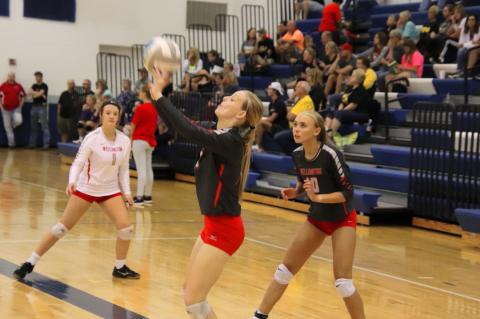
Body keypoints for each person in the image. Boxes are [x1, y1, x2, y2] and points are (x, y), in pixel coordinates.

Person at [148, 66, 263, 319]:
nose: (225, 98)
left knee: (194, 300)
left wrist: (159, 95)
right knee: (189, 292)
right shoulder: (217, 131)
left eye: (233, 100)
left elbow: (188, 130)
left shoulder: (232, 142)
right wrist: (160, 91)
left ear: (242, 114)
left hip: (225, 230)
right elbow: (182, 124)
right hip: (211, 225)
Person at [252, 110, 365, 319]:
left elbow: (348, 193)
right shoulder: (297, 154)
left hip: (342, 219)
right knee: (284, 271)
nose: (296, 128)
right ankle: (259, 316)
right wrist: (296, 191)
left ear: (317, 130)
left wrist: (319, 198)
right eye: (295, 124)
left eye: (303, 125)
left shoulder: (331, 154)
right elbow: (306, 184)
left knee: (343, 283)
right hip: (318, 219)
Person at [13, 101, 139, 280]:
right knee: (61, 228)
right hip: (86, 187)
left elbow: (124, 169)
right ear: (101, 116)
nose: (111, 116)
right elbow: (78, 162)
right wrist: (72, 181)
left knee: (125, 228)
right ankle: (30, 262)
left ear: (119, 117)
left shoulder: (124, 140)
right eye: (108, 113)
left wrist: (126, 192)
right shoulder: (92, 138)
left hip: (110, 190)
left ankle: (120, 267)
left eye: (115, 114)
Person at [131, 85, 158, 207]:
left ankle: (139, 197)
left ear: (143, 93)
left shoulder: (140, 108)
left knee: (141, 170)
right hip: (150, 140)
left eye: (140, 91)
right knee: (148, 169)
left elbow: (133, 125)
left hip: (139, 140)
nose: (139, 93)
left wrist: (130, 139)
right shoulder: (155, 108)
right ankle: (147, 196)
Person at [325, 69, 371, 137]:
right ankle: (325, 133)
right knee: (331, 112)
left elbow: (353, 105)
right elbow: (342, 101)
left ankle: (330, 136)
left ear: (358, 79)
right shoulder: (349, 88)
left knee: (339, 113)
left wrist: (341, 111)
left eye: (353, 76)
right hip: (348, 111)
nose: (350, 77)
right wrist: (339, 109)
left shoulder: (361, 90)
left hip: (360, 113)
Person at [274, 81, 315, 155]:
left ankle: (296, 155)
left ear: (303, 89)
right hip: (295, 127)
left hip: (301, 129)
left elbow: (290, 117)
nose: (295, 88)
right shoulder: (301, 100)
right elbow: (289, 113)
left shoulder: (305, 101)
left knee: (279, 137)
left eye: (297, 87)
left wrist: (290, 112)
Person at [253, 82, 288, 151]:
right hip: (273, 125)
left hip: (281, 127)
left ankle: (258, 146)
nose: (267, 90)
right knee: (259, 123)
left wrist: (259, 121)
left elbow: (271, 119)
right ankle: (256, 144)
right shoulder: (271, 104)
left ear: (275, 91)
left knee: (260, 123)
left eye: (269, 89)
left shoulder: (280, 103)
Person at [0, 72, 25, 148]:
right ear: (7, 77)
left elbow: (23, 96)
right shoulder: (3, 86)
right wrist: (1, 107)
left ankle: (12, 125)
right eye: (9, 76)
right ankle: (11, 145)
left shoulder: (18, 86)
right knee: (8, 128)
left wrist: (20, 106)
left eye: (12, 76)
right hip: (5, 110)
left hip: (16, 108)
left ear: (14, 77)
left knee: (19, 121)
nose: (11, 77)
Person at [28, 71, 50, 150]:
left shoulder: (44, 85)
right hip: (34, 107)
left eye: (38, 76)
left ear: (41, 77)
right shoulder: (34, 85)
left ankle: (46, 145)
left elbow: (37, 95)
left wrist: (36, 94)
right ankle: (32, 144)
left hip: (42, 107)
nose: (37, 78)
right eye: (36, 77)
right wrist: (38, 93)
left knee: (44, 126)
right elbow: (29, 92)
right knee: (33, 126)